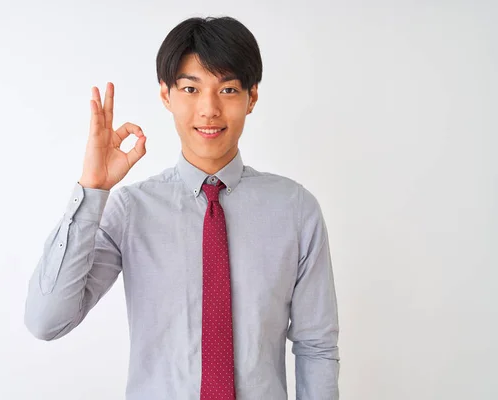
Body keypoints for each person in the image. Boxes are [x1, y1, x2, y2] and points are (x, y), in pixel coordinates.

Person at [24, 15, 340, 400]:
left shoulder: (295, 210)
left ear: (251, 97)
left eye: (227, 90)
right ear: (165, 95)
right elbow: (46, 321)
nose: (208, 109)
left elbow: (316, 347)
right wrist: (92, 190)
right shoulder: (130, 210)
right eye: (191, 88)